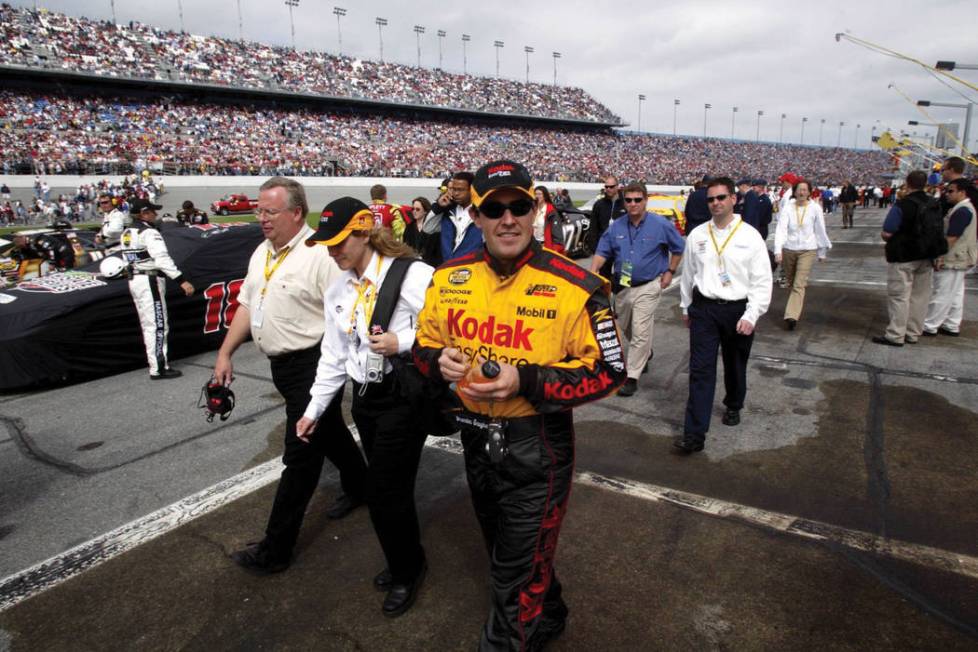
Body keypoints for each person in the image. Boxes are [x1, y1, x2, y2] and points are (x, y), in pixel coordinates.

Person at [413, 159, 626, 650]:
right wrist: (437, 361)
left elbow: (609, 371)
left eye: (519, 206)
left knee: (510, 581)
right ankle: (549, 615)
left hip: (538, 447)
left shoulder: (578, 285)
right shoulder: (448, 278)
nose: (508, 219)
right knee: (510, 557)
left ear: (536, 211)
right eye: (495, 208)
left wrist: (525, 380)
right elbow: (422, 347)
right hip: (474, 438)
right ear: (479, 216)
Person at [213, 177, 368, 573]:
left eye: (270, 211)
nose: (261, 218)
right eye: (258, 210)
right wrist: (225, 352)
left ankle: (275, 550)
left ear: (297, 213)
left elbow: (346, 314)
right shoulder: (262, 252)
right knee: (328, 430)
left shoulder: (321, 255)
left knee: (300, 455)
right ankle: (362, 486)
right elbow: (247, 304)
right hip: (281, 365)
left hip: (313, 365)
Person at [293, 197, 433, 617]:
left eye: (339, 243)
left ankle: (408, 568)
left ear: (365, 232)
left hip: (403, 397)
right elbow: (333, 356)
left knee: (383, 489)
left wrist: (402, 341)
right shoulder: (337, 287)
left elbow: (452, 326)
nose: (333, 252)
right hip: (366, 399)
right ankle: (403, 555)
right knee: (390, 488)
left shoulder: (412, 274)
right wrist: (313, 410)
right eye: (328, 245)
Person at [677, 177, 772, 454]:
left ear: (733, 199)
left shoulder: (750, 236)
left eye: (721, 198)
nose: (715, 203)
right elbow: (689, 275)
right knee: (700, 371)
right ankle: (694, 434)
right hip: (704, 309)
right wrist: (686, 307)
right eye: (711, 199)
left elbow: (762, 280)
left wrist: (752, 315)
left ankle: (733, 403)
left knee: (734, 364)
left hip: (737, 310)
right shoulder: (698, 235)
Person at [590, 182, 684, 396]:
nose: (633, 204)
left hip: (649, 285)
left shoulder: (661, 224)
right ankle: (645, 352)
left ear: (645, 200)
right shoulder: (616, 226)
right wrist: (593, 272)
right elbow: (602, 251)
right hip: (622, 285)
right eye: (629, 200)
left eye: (637, 200)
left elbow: (678, 248)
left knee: (641, 330)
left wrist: (670, 270)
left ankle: (631, 376)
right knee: (625, 326)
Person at [118, 198, 195, 379]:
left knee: (148, 325)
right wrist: (181, 280)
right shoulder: (149, 233)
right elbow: (162, 259)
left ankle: (155, 363)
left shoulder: (127, 232)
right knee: (158, 325)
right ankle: (159, 368)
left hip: (135, 280)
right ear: (144, 213)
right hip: (149, 280)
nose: (156, 214)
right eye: (153, 211)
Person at [872, 170, 942, 347]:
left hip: (904, 255)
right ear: (925, 183)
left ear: (907, 183)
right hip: (926, 254)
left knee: (899, 296)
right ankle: (912, 332)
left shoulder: (903, 204)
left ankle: (896, 334)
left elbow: (888, 229)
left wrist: (887, 237)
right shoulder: (934, 203)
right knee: (920, 297)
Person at [774, 179, 832, 330]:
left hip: (807, 249)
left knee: (799, 283)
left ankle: (791, 316)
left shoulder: (815, 208)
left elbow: (820, 230)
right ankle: (795, 305)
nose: (801, 192)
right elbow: (781, 229)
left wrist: (822, 251)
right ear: (794, 192)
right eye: (799, 190)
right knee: (792, 281)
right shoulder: (788, 207)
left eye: (805, 190)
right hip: (789, 249)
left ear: (809, 192)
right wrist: (778, 250)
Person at [922, 179, 976, 337]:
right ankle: (951, 323)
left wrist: (940, 255)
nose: (947, 194)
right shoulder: (965, 208)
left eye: (951, 191)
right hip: (962, 257)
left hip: (954, 258)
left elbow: (952, 238)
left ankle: (930, 325)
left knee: (942, 292)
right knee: (956, 294)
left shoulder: (962, 210)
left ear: (962, 192)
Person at [421, 171, 482, 262]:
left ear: (472, 190)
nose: (456, 193)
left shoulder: (483, 214)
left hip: (474, 269)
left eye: (460, 190)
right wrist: (439, 207)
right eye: (454, 189)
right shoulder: (447, 211)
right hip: (448, 268)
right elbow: (427, 229)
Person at [586, 175, 626, 264]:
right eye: (606, 187)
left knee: (625, 276)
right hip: (604, 248)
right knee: (603, 276)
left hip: (623, 248)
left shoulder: (626, 203)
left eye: (611, 187)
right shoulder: (598, 205)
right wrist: (594, 248)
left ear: (617, 187)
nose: (608, 189)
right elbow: (593, 228)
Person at [532, 185, 565, 254]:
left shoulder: (551, 212)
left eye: (539, 194)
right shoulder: (532, 209)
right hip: (532, 247)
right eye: (535, 194)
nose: (537, 196)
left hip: (544, 247)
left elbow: (557, 234)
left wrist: (555, 249)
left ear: (545, 196)